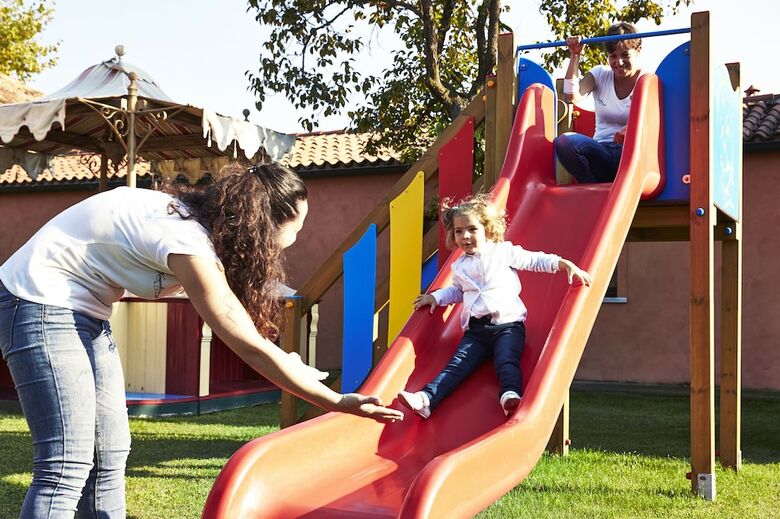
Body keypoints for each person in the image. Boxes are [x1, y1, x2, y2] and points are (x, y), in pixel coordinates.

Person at [0, 163, 403, 518]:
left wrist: (288, 361)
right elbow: (244, 342)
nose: (296, 238)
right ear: (263, 226)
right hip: (36, 301)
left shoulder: (204, 234)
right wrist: (333, 401)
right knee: (67, 462)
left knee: (109, 453)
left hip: (86, 312)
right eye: (295, 229)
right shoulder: (187, 242)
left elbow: (246, 319)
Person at [397, 194, 591, 419]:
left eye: (472, 229)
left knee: (506, 359)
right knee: (457, 365)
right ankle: (426, 399)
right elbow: (458, 292)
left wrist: (562, 263)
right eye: (459, 231)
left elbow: (534, 260)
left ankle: (509, 394)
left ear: (487, 229)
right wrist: (436, 297)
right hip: (476, 332)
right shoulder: (459, 266)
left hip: (508, 326)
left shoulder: (503, 252)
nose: (465, 236)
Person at [556, 22, 645, 183]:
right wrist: (574, 56)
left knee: (627, 152)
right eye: (613, 56)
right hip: (601, 152)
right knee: (564, 142)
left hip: (629, 154)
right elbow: (571, 95)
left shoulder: (646, 80)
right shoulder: (600, 74)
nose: (618, 62)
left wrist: (630, 129)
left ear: (638, 51)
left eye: (625, 55)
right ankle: (590, 188)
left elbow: (653, 120)